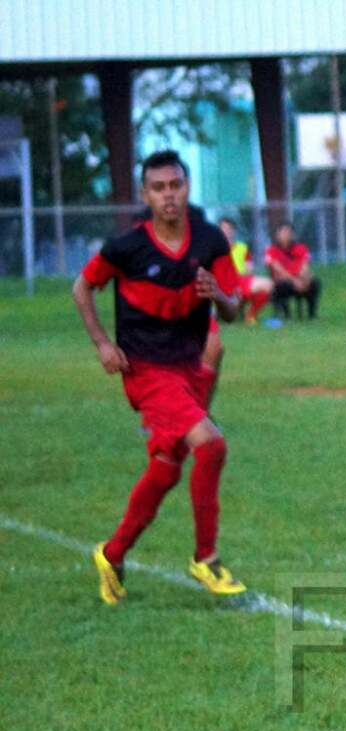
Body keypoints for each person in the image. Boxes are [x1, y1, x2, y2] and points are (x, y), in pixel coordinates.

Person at [74, 149, 246, 604]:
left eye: (176, 185)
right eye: (159, 188)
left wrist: (220, 296)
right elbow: (82, 286)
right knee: (211, 443)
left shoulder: (210, 241)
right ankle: (205, 560)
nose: (169, 195)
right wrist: (102, 344)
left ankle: (111, 555)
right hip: (146, 371)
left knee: (167, 471)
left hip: (188, 369)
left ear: (187, 188)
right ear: (146, 195)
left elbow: (234, 308)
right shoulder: (126, 247)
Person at [264, 221, 321, 320]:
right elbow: (278, 269)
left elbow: (305, 266)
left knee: (314, 283)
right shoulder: (271, 250)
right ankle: (286, 315)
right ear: (278, 234)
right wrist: (294, 281)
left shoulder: (301, 248)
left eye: (289, 232)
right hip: (283, 279)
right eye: (284, 232)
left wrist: (305, 278)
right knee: (282, 285)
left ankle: (312, 314)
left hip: (299, 277)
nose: (287, 235)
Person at [218, 219, 272, 322]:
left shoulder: (242, 248)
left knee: (267, 287)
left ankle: (250, 315)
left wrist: (241, 275)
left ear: (233, 230)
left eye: (228, 228)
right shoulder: (215, 248)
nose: (226, 231)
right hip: (224, 283)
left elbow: (249, 268)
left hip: (241, 280)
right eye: (223, 228)